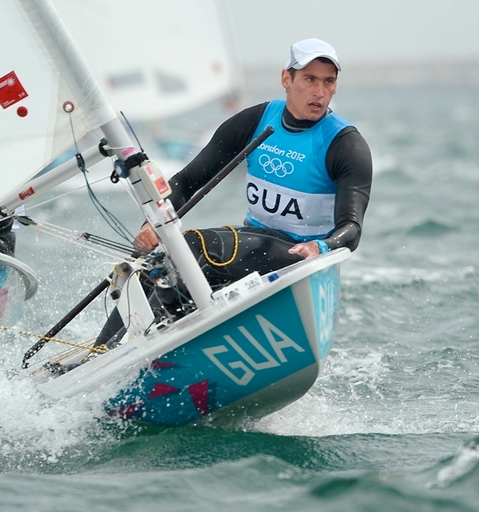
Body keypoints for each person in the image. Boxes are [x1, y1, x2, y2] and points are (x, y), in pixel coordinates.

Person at [96, 38, 372, 346]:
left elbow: (351, 229)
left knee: (194, 246)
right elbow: (187, 181)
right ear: (286, 79)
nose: (319, 92)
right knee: (159, 263)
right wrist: (154, 222)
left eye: (328, 82)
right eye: (309, 79)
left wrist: (321, 247)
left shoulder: (345, 145)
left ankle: (145, 346)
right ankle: (98, 353)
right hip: (257, 243)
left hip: (298, 256)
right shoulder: (255, 121)